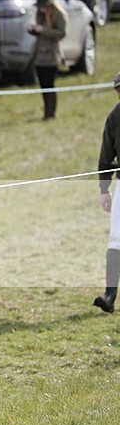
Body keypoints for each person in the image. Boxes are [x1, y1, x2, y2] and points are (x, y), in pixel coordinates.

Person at [93, 72, 120, 313]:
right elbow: (106, 156)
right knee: (115, 238)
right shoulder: (115, 117)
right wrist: (104, 189)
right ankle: (110, 295)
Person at [28, 0, 68, 120]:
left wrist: (43, 30)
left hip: (51, 56)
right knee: (43, 85)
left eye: (43, 6)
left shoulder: (59, 15)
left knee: (49, 84)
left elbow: (61, 34)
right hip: (39, 56)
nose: (40, 9)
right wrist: (33, 30)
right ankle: (46, 111)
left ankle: (51, 113)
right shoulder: (40, 15)